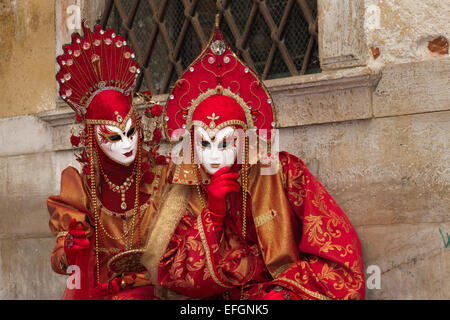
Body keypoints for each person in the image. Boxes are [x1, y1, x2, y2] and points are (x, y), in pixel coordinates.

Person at [140, 19, 365, 300]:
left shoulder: (283, 174)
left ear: (244, 140)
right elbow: (174, 277)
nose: (213, 155)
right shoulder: (186, 189)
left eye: (225, 143)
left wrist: (281, 292)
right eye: (203, 143)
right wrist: (213, 215)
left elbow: (338, 250)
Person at [47, 22, 168, 300]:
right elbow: (61, 263)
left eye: (131, 132)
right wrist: (70, 248)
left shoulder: (162, 177)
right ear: (93, 140)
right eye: (113, 137)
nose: (127, 145)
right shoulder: (81, 189)